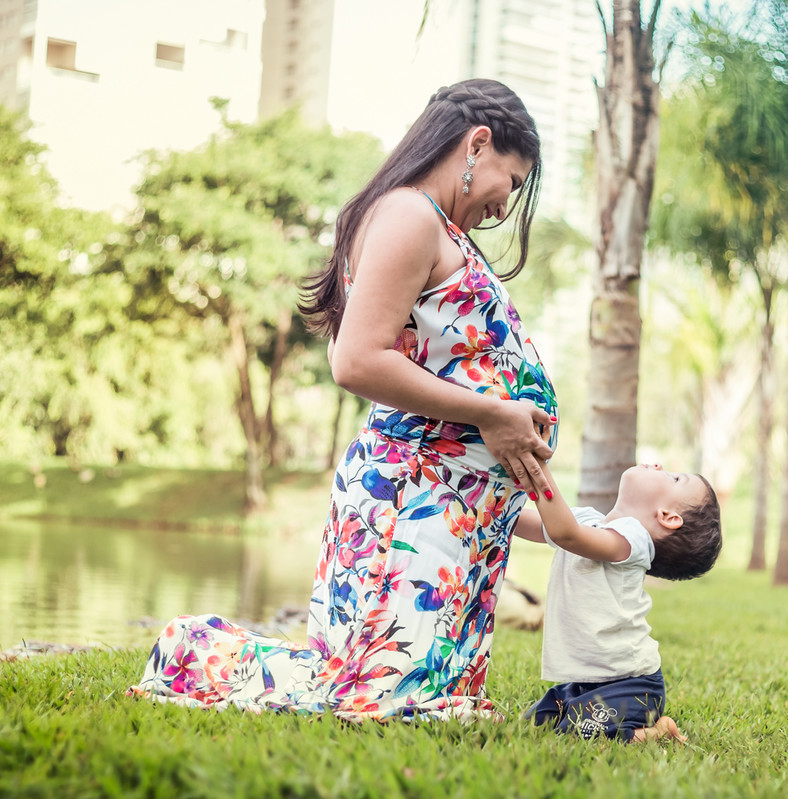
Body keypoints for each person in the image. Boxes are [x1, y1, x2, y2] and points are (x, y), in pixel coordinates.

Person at [129, 79, 559, 722]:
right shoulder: (410, 215)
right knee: (380, 700)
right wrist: (496, 412)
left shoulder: (436, 226)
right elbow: (356, 360)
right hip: (408, 505)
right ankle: (187, 651)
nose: (506, 203)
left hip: (456, 515)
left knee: (434, 698)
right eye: (513, 178)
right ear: (478, 143)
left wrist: (533, 508)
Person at [513, 459, 722, 743]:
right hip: (589, 679)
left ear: (667, 516)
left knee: (573, 733)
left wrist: (535, 466)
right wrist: (485, 509)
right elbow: (531, 524)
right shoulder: (588, 521)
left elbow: (565, 534)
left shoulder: (634, 541)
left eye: (674, 479)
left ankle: (650, 733)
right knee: (537, 723)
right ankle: (615, 723)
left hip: (631, 685)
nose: (660, 466)